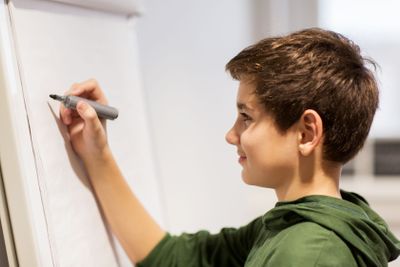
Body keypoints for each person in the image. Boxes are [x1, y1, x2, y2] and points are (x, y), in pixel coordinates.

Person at [59, 28, 400, 266]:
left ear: (306, 133)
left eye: (246, 118)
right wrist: (97, 154)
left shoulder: (305, 252)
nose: (231, 134)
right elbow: (172, 258)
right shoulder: (297, 224)